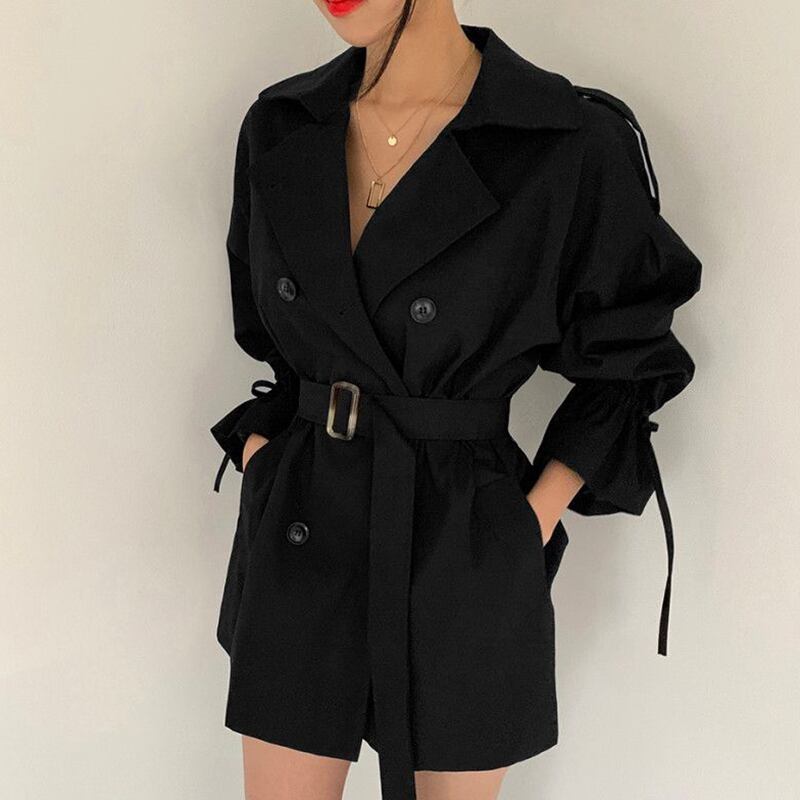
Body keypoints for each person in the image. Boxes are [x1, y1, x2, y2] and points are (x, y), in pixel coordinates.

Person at [209, 2, 702, 798]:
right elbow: (270, 331)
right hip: (303, 526)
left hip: (461, 543)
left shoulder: (563, 139)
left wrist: (526, 523)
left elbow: (631, 359)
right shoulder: (281, 124)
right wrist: (264, 460)